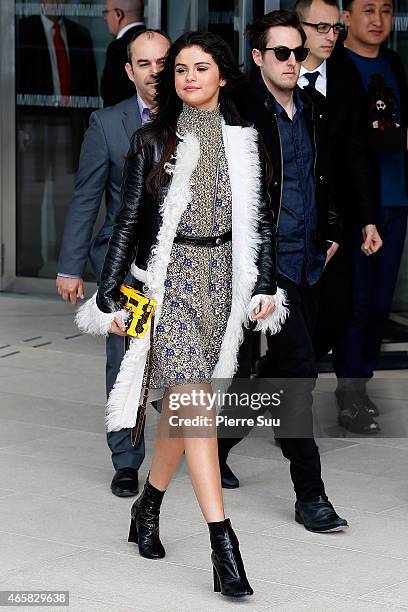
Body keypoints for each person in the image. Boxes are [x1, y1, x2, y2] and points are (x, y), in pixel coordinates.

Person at [76, 30, 288, 598]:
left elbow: (263, 220)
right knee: (194, 409)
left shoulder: (247, 140)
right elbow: (125, 223)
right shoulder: (152, 141)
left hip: (224, 283)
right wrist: (108, 293)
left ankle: (149, 504)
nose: (187, 77)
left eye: (200, 68)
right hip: (170, 283)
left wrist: (265, 284)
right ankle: (224, 543)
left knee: (183, 411)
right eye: (179, 70)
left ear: (222, 75)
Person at [218, 10, 349, 533]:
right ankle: (310, 494)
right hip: (265, 268)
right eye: (282, 53)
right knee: (297, 373)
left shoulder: (314, 108)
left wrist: (334, 225)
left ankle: (218, 439)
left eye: (299, 52)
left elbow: (324, 177)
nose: (294, 61)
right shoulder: (239, 112)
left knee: (278, 374)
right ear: (258, 57)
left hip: (311, 259)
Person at [57, 30, 171, 497]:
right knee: (125, 360)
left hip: (184, 263)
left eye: (163, 62)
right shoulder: (106, 124)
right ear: (129, 71)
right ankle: (126, 459)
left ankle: (207, 450)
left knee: (190, 358)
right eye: (144, 64)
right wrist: (70, 267)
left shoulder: (199, 118)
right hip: (125, 267)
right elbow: (86, 198)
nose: (155, 72)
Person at [295, 0, 383, 433]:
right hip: (290, 220)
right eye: (322, 27)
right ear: (300, 28)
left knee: (336, 311)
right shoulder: (276, 72)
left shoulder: (345, 75)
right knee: (293, 321)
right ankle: (291, 415)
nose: (332, 35)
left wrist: (367, 219)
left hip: (338, 220)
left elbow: (357, 152)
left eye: (336, 27)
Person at [331, 0, 408, 430]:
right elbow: (352, 139)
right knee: (355, 299)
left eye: (385, 10)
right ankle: (350, 388)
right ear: (347, 18)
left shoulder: (394, 61)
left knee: (380, 300)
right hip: (356, 204)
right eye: (367, 10)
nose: (377, 20)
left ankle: (361, 380)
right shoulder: (337, 65)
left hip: (394, 198)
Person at [16, 0, 98, 276]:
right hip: (34, 124)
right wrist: (17, 126)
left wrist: (90, 129)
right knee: (32, 195)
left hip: (70, 124)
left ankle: (70, 263)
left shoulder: (79, 34)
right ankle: (28, 264)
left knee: (67, 197)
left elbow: (90, 87)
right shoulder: (21, 30)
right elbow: (12, 81)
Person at [101, 0, 146, 107]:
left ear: (118, 14)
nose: (105, 18)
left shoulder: (118, 48)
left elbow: (110, 95)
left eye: (106, 12)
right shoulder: (154, 42)